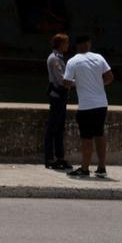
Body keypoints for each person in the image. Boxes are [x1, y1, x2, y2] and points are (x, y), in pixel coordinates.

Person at [64, 35, 114, 179]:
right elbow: (110, 77)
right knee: (99, 134)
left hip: (86, 106)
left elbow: (66, 83)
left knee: (86, 137)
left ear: (77, 46)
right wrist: (98, 84)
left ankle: (85, 169)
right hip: (101, 104)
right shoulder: (99, 58)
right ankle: (102, 168)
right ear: (88, 44)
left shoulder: (73, 61)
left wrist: (77, 82)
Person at [44, 33, 71, 170]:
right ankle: (49, 158)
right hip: (57, 97)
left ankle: (60, 157)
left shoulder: (58, 58)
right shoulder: (54, 59)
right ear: (60, 44)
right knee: (53, 128)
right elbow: (61, 80)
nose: (68, 45)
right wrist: (76, 83)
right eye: (66, 43)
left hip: (61, 96)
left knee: (59, 128)